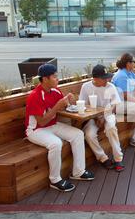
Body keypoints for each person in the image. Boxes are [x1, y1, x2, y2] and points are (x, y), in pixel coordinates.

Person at [25, 63, 94, 192]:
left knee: (78, 134)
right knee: (56, 144)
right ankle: (55, 180)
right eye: (54, 76)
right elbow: (42, 122)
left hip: (52, 125)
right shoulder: (35, 96)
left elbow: (65, 106)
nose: (57, 79)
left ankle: (78, 171)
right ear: (45, 79)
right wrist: (57, 107)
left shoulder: (55, 91)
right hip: (36, 130)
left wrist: (70, 101)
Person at [80, 64, 125, 172]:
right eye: (104, 78)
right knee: (89, 135)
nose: (107, 80)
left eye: (107, 77)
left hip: (108, 114)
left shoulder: (110, 86)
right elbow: (83, 105)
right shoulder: (86, 87)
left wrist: (104, 117)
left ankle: (118, 158)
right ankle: (103, 158)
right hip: (92, 117)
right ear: (95, 78)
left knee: (111, 128)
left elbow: (115, 105)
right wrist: (95, 117)